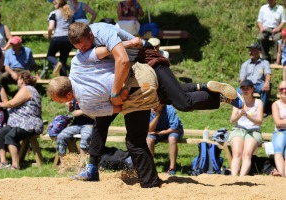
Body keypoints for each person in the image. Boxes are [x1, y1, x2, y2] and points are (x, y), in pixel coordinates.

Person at [66, 22, 243, 187]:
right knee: (104, 120)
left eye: (84, 45)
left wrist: (115, 93)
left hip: (145, 58)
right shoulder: (86, 44)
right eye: (79, 48)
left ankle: (220, 97)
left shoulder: (103, 31)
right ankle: (92, 167)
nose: (83, 50)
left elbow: (123, 60)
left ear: (90, 34)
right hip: (134, 75)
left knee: (182, 102)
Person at [47, 37, 160, 188]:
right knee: (101, 126)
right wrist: (130, 43)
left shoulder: (86, 102)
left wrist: (116, 99)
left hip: (137, 85)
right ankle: (93, 168)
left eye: (60, 101)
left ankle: (150, 182)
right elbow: (108, 49)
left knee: (135, 141)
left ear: (68, 95)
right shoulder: (76, 62)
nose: (64, 104)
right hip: (132, 80)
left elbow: (119, 108)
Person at [0, 70, 43, 170]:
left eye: (18, 78)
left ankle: (15, 165)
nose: (16, 81)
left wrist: (1, 104)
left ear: (22, 80)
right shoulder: (26, 89)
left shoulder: (27, 89)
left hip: (28, 124)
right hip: (18, 123)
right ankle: (3, 162)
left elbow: (12, 103)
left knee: (10, 136)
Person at [228, 79, 263, 176]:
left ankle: (242, 178)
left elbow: (259, 122)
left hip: (254, 131)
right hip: (239, 129)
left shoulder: (258, 102)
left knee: (247, 154)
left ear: (252, 89)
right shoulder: (237, 102)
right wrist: (240, 114)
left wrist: (247, 115)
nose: (245, 90)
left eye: (247, 88)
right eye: (243, 88)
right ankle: (234, 178)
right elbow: (232, 121)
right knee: (237, 154)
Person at [56, 99, 94, 172]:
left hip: (90, 124)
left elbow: (98, 115)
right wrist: (70, 107)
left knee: (85, 137)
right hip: (76, 124)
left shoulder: (92, 96)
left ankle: (81, 166)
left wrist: (83, 111)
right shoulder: (75, 96)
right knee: (61, 136)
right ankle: (64, 165)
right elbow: (73, 112)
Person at [146, 104, 184, 176]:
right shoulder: (150, 109)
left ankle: (172, 168)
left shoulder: (170, 109)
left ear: (162, 104)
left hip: (173, 131)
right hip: (157, 131)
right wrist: (157, 116)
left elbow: (174, 128)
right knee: (149, 140)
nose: (153, 106)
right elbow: (150, 130)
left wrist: (157, 133)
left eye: (155, 103)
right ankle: (150, 168)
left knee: (172, 139)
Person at [238, 43, 271, 117]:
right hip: (248, 85)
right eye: (250, 50)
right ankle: (242, 109)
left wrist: (267, 82)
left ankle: (262, 110)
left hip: (259, 85)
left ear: (259, 52)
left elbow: (268, 74)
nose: (250, 52)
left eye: (252, 50)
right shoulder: (245, 64)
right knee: (238, 91)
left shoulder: (265, 63)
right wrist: (244, 86)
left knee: (265, 88)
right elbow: (242, 78)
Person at [47, 0, 73, 77]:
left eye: (55, 3)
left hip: (57, 37)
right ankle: (65, 80)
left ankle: (56, 63)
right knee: (63, 61)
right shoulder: (70, 13)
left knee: (50, 55)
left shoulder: (54, 13)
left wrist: (49, 36)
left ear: (58, 3)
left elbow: (50, 28)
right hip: (68, 39)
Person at [271, 81, 286, 177]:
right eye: (281, 89)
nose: (284, 91)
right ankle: (281, 174)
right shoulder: (276, 104)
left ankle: (284, 174)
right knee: (278, 148)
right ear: (279, 91)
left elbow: (281, 122)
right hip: (280, 131)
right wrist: (281, 122)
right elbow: (278, 123)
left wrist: (283, 121)